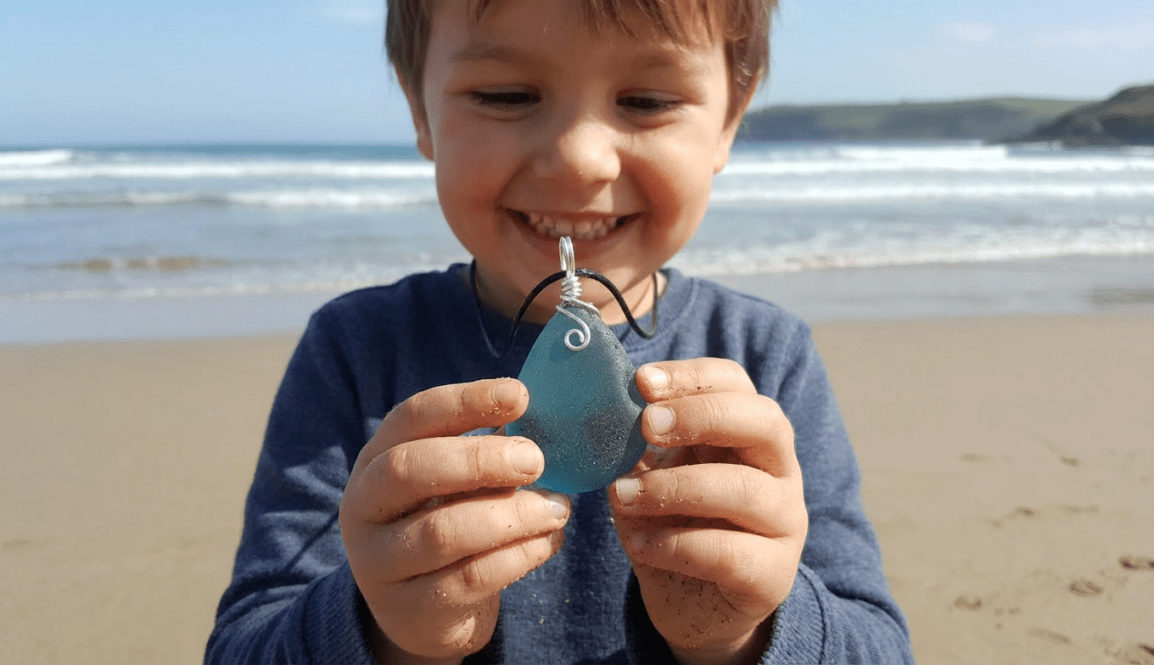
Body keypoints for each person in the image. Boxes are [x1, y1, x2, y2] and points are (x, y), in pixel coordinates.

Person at [206, 0, 914, 662]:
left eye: (646, 101)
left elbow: (878, 644)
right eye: (506, 95)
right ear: (417, 104)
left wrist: (739, 632)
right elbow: (244, 642)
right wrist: (386, 629)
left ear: (730, 118)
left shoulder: (768, 356)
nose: (580, 160)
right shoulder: (354, 349)